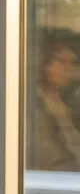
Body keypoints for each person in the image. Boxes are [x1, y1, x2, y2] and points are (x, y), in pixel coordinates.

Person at [33, 30, 80, 172]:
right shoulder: (31, 106)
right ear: (44, 63)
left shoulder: (68, 102)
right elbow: (50, 161)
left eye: (72, 63)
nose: (67, 69)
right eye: (60, 61)